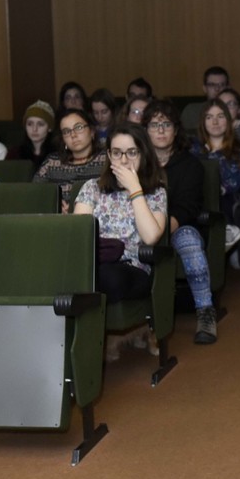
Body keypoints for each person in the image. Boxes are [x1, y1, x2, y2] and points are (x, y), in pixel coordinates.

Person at [73, 123, 167, 357]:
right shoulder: (92, 188)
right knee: (91, 274)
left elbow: (151, 236)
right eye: (117, 153)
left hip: (133, 268)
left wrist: (135, 190)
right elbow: (79, 236)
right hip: (95, 263)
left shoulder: (156, 192)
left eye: (131, 152)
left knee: (108, 278)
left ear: (143, 154)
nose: (124, 160)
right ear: (108, 155)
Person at [140, 101, 222, 344]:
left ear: (176, 130)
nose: (161, 130)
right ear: (145, 130)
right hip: (141, 228)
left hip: (176, 227)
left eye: (166, 124)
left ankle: (205, 312)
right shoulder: (137, 164)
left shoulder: (190, 165)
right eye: (155, 125)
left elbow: (187, 208)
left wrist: (160, 234)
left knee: (189, 240)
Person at [193, 98, 240, 271]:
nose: (215, 122)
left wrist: (219, 187)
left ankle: (229, 233)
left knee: (237, 264)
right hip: (197, 201)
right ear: (203, 122)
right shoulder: (193, 149)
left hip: (226, 201)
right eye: (209, 117)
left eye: (220, 116)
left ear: (228, 120)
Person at [34, 107, 108, 211]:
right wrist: (54, 206)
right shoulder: (52, 162)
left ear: (92, 131)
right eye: (66, 131)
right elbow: (35, 194)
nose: (73, 135)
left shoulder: (107, 160)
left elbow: (116, 198)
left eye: (78, 127)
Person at [181, 66, 230, 132]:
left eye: (221, 85)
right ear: (204, 88)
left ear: (227, 88)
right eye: (212, 85)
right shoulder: (191, 111)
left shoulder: (236, 109)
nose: (217, 89)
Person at [11, 100, 56, 168]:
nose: (34, 129)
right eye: (30, 124)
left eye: (40, 124)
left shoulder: (59, 155)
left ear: (49, 128)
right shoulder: (14, 155)